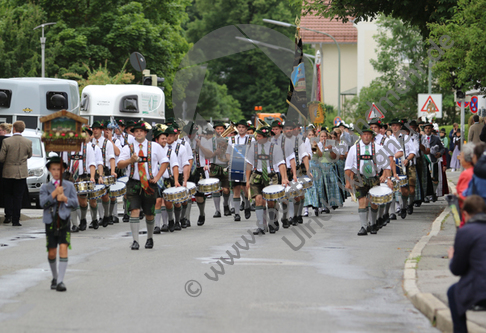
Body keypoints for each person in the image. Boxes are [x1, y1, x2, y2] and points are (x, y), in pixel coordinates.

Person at [117, 121, 169, 250]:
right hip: (134, 183)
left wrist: (157, 177)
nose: (138, 133)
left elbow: (165, 162)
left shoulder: (155, 146)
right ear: (133, 134)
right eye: (136, 131)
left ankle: (150, 238)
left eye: (141, 131)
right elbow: (119, 164)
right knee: (134, 210)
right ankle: (135, 241)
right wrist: (131, 160)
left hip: (149, 183)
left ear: (145, 133)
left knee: (149, 213)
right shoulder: (127, 148)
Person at [447, 195, 486, 333]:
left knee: (452, 292)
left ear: (465, 214)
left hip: (481, 288)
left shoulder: (465, 232)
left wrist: (452, 257)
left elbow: (457, 269)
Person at [40, 155, 79, 292]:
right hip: (50, 222)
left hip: (64, 221)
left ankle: (61, 281)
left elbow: (75, 204)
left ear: (63, 170)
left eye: (59, 169)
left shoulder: (69, 186)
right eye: (53, 169)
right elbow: (42, 203)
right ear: (50, 170)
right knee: (52, 252)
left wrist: (65, 198)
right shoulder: (45, 187)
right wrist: (54, 194)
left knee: (63, 248)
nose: (56, 172)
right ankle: (55, 277)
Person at [345, 125, 393, 235]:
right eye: (364, 134)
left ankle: (373, 223)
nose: (366, 137)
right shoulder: (354, 148)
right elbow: (348, 167)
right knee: (362, 201)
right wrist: (348, 182)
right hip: (359, 177)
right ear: (361, 136)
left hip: (374, 177)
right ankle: (363, 226)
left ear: (372, 136)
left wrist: (387, 177)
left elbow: (386, 165)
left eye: (368, 134)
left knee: (374, 202)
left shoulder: (378, 148)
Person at [245, 126, 288, 235]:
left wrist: (284, 178)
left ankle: (272, 222)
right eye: (256, 136)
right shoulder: (252, 147)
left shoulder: (275, 148)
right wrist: (247, 180)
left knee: (271, 201)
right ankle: (261, 226)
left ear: (265, 137)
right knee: (258, 199)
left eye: (259, 136)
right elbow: (249, 164)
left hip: (270, 176)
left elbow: (281, 164)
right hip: (257, 176)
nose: (257, 138)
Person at [62, 127, 98, 232]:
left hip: (83, 175)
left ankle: (83, 219)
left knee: (82, 201)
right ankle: (74, 224)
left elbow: (92, 163)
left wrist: (92, 176)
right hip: (70, 175)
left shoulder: (88, 148)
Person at [0, 121, 32, 226]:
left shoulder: (6, 141)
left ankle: (8, 216)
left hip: (8, 171)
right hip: (21, 172)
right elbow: (30, 155)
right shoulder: (28, 142)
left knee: (8, 194)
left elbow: (1, 158)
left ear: (13, 128)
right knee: (18, 196)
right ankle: (16, 219)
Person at [226, 119, 252, 221]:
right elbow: (228, 153)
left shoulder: (251, 139)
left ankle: (247, 206)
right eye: (239, 127)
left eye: (243, 127)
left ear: (246, 129)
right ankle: (236, 213)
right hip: (235, 166)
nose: (241, 129)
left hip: (246, 167)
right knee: (236, 189)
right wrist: (231, 161)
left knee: (246, 189)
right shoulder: (232, 139)